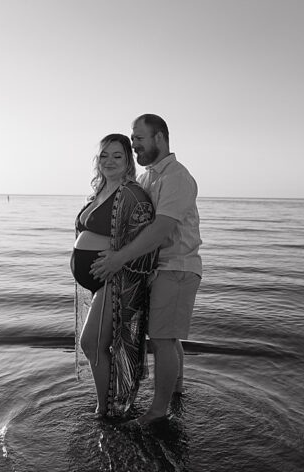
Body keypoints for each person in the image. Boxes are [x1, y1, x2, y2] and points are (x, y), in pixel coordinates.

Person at [91, 114, 202, 426]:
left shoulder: (176, 176)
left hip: (176, 266)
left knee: (163, 339)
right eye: (133, 137)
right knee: (169, 337)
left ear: (160, 137)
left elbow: (160, 229)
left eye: (138, 138)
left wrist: (118, 259)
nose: (134, 144)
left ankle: (157, 412)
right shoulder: (147, 178)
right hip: (156, 268)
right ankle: (176, 391)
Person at [73, 134, 157, 419]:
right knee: (98, 344)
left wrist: (115, 260)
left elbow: (147, 243)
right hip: (101, 283)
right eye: (104, 155)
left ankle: (107, 411)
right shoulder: (99, 192)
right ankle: (110, 404)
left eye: (117, 156)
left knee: (91, 343)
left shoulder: (133, 194)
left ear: (128, 161)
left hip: (119, 280)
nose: (109, 161)